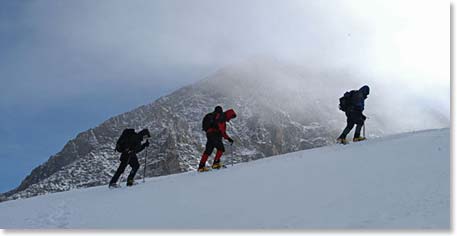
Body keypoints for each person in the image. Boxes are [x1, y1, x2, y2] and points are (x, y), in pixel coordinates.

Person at [198, 106, 237, 172]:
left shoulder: (218, 117)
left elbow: (222, 132)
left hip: (209, 134)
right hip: (215, 135)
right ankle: (216, 164)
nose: (230, 119)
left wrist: (228, 138)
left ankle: (201, 167)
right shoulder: (222, 118)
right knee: (221, 149)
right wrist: (228, 138)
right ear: (229, 115)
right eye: (231, 117)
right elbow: (222, 131)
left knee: (208, 151)